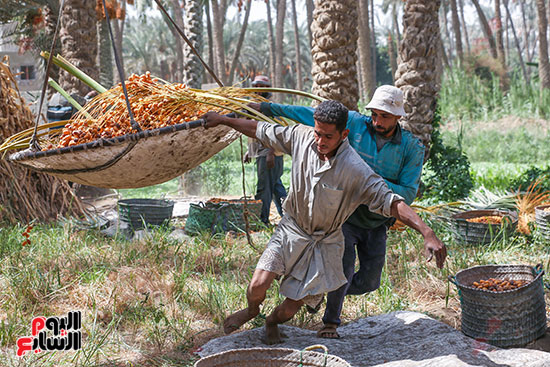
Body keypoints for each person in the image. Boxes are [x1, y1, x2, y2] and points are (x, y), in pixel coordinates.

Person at [200, 100, 447, 345]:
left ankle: (272, 321)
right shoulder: (300, 136)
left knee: (289, 310)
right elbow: (259, 129)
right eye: (318, 133)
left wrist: (426, 231)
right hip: (291, 229)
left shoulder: (355, 169)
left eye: (328, 136)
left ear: (344, 134)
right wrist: (223, 119)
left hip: (324, 243)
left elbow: (391, 201)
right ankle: (252, 311)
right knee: (257, 285)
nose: (320, 141)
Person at [250, 85, 426, 339]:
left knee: (369, 281)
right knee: (341, 268)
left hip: (377, 220)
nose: (377, 121)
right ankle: (330, 322)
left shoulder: (411, 147)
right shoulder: (354, 123)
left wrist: (362, 178)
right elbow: (305, 114)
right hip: (342, 217)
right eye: (374, 114)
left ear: (399, 116)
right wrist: (267, 107)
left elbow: (407, 193)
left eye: (385, 116)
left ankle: (321, 288)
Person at [244, 75, 287, 225]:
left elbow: (275, 131)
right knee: (275, 186)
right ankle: (289, 217)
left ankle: (261, 220)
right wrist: (250, 151)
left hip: (270, 154)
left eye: (261, 87)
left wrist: (270, 152)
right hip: (264, 153)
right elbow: (256, 132)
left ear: (267, 89)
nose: (257, 90)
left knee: (264, 188)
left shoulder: (269, 108)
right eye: (255, 86)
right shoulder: (256, 107)